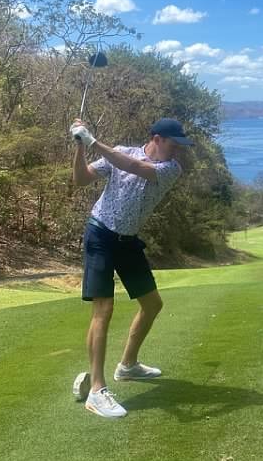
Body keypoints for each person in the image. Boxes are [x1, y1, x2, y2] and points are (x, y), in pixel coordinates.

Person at [70, 117, 193, 418]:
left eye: (179, 146)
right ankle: (97, 391)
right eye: (173, 144)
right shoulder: (121, 151)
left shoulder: (170, 169)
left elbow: (136, 168)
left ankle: (127, 366)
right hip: (100, 234)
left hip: (128, 241)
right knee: (104, 309)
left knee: (152, 304)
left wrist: (92, 141)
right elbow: (82, 179)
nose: (177, 150)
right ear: (156, 138)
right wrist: (80, 148)